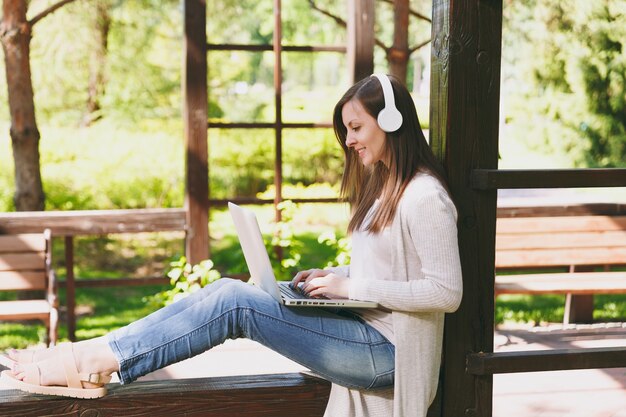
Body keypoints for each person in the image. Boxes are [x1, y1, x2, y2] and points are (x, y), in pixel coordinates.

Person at [0, 74, 462, 417]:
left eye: (356, 128)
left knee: (236, 306)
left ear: (391, 119)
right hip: (364, 333)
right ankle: (92, 353)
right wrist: (336, 277)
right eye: (346, 130)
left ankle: (93, 360)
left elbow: (446, 293)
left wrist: (351, 286)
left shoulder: (426, 196)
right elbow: (389, 266)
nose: (350, 141)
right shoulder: (386, 188)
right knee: (228, 291)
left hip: (389, 355)